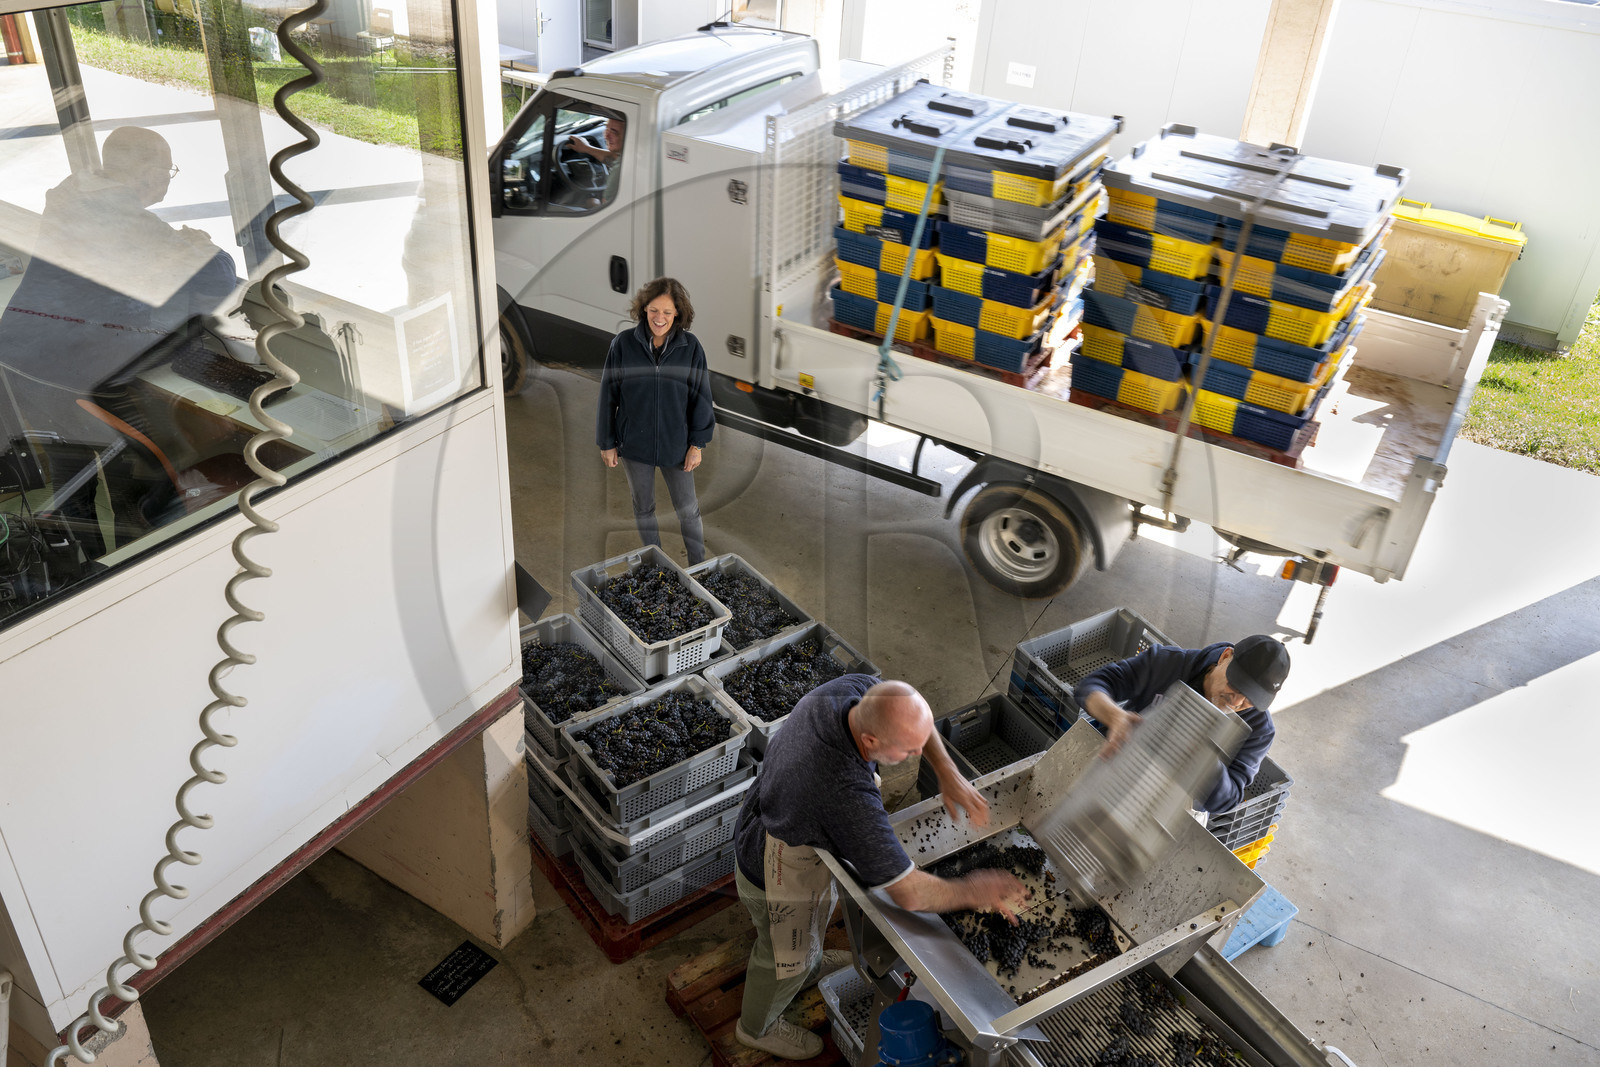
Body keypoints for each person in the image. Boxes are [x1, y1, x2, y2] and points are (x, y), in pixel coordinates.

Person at [730, 676, 1030, 1060]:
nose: (916, 754)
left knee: (810, 929)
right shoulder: (843, 793)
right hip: (773, 868)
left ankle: (811, 962)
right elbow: (908, 892)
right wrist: (974, 890)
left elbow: (914, 716)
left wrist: (947, 771)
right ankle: (756, 1027)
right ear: (870, 742)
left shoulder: (854, 692)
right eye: (908, 751)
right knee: (780, 958)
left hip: (784, 816)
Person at [1073, 634, 1291, 815]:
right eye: (1235, 685)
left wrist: (1205, 761)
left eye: (1250, 699)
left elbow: (1228, 800)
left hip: (1167, 813)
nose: (1236, 702)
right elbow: (1093, 684)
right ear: (1225, 656)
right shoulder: (1169, 663)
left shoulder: (1259, 731)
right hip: (1112, 765)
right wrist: (1114, 716)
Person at [595, 277, 714, 565]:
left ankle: (699, 567)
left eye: (667, 312)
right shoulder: (623, 345)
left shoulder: (691, 348)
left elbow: (701, 397)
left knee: (688, 511)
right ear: (644, 309)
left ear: (678, 314)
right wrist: (607, 443)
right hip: (635, 445)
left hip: (677, 445)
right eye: (654, 310)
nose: (659, 318)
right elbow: (608, 395)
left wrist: (697, 444)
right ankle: (657, 566)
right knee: (644, 509)